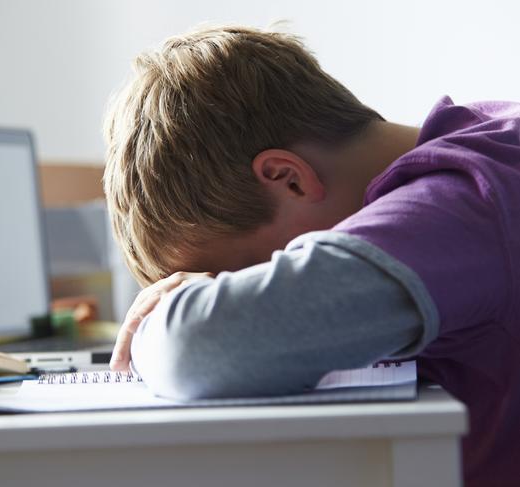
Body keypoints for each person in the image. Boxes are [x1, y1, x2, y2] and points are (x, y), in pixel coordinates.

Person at [102, 24, 520, 487]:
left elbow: (196, 348)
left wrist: (155, 326)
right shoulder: (484, 147)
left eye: (243, 276)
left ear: (289, 178)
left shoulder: (466, 202)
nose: (244, 294)